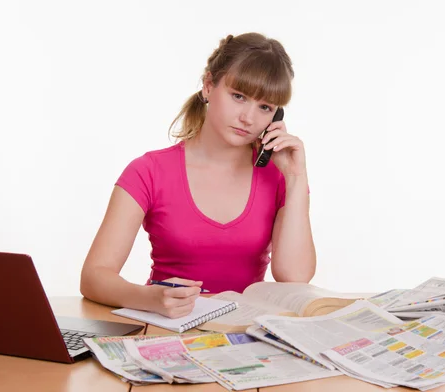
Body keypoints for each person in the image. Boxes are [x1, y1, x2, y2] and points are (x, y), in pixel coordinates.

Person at [80, 32, 316, 318]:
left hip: (245, 334)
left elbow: (295, 277)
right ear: (208, 86)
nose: (248, 118)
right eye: (238, 96)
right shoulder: (148, 171)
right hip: (166, 328)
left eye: (264, 107)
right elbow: (94, 276)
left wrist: (295, 177)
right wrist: (149, 298)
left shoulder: (280, 177)